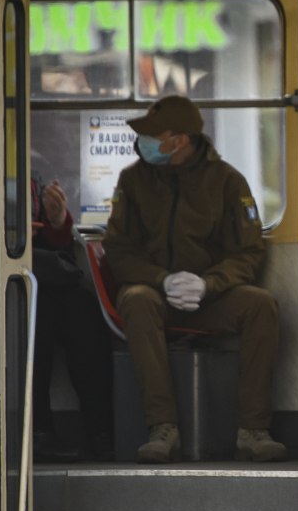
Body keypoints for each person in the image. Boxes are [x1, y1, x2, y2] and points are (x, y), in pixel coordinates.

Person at [103, 95, 286, 463]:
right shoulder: (133, 180)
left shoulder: (228, 182)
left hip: (210, 298)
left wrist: (209, 284)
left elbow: (249, 252)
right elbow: (118, 251)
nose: (144, 143)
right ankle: (162, 428)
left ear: (181, 139)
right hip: (156, 296)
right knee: (136, 299)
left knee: (261, 306)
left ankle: (253, 430)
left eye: (156, 135)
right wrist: (162, 280)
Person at [31, 177, 114, 461]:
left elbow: (57, 246)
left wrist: (56, 222)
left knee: (84, 310)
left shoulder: (31, 180)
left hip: (36, 273)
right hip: (16, 282)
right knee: (35, 314)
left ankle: (99, 429)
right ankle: (38, 429)